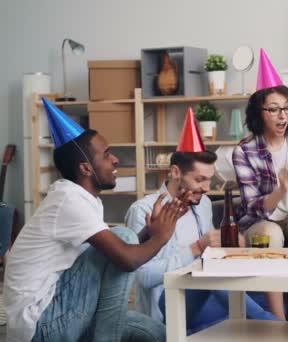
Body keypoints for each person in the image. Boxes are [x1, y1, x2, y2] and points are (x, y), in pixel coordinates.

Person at [4, 99, 185, 342]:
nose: (115, 160)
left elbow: (103, 254)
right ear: (86, 168)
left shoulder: (82, 198)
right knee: (124, 237)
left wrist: (149, 234)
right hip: (41, 324)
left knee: (156, 333)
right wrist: (161, 237)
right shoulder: (68, 200)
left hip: (64, 309)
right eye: (107, 154)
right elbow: (127, 259)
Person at [125, 109, 276, 334]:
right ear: (176, 172)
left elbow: (210, 254)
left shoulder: (202, 203)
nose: (207, 188)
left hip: (207, 297)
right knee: (214, 279)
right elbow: (143, 276)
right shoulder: (143, 211)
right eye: (199, 180)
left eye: (209, 180)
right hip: (171, 306)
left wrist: (229, 246)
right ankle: (282, 331)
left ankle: (275, 326)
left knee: (260, 290)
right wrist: (196, 248)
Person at [232, 49, 288, 322]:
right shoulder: (244, 151)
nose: (282, 116)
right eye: (273, 110)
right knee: (272, 234)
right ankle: (279, 321)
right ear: (259, 112)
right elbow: (253, 206)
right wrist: (281, 191)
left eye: (286, 108)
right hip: (261, 219)